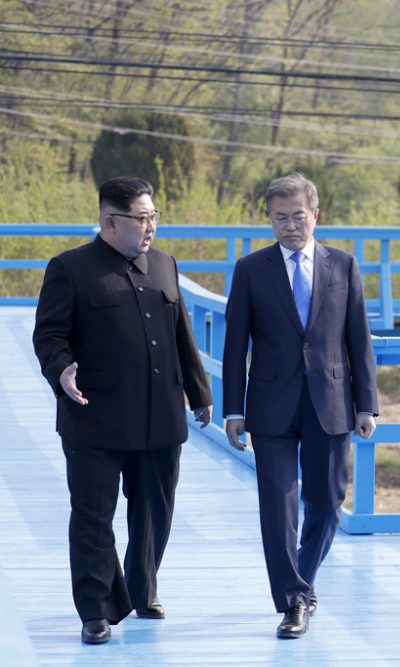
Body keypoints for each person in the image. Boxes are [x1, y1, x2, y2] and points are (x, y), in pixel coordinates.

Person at [32, 176, 213, 644]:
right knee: (93, 514)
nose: (150, 225)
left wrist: (200, 394)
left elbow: (182, 338)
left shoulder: (165, 266)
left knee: (155, 511)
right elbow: (49, 335)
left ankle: (141, 588)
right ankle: (95, 609)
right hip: (95, 417)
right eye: (141, 217)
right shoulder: (70, 269)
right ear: (111, 222)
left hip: (160, 415)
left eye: (154, 215)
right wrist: (61, 371)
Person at [222, 173, 378, 639]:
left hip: (330, 402)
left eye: (297, 216)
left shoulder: (343, 265)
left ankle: (303, 583)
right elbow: (234, 346)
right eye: (279, 217)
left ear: (315, 215)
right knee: (278, 505)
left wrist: (367, 405)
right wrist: (234, 409)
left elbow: (358, 339)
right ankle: (292, 602)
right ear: (269, 220)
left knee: (328, 503)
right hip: (270, 404)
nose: (289, 225)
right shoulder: (251, 269)